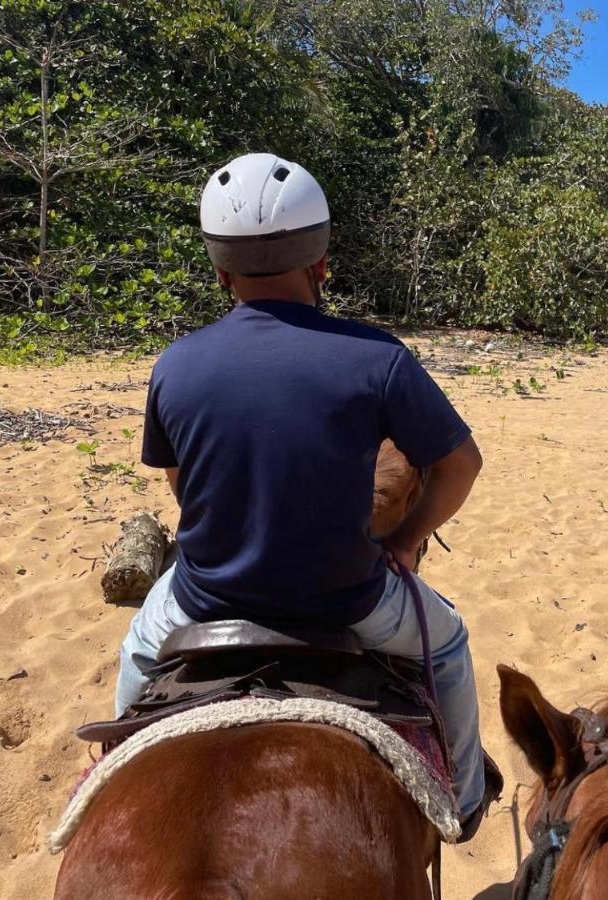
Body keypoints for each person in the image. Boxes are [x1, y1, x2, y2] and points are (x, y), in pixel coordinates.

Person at [113, 153, 498, 839]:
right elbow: (460, 465)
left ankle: (115, 766)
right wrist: (405, 541)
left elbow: (179, 484)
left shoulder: (175, 364)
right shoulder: (378, 359)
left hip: (204, 599)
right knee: (449, 647)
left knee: (139, 650)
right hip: (349, 600)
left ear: (218, 270)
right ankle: (464, 801)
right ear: (321, 264)